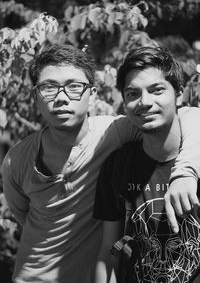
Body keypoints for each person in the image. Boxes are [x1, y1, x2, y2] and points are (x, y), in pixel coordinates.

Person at [2, 44, 200, 283]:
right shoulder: (17, 159)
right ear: (35, 96)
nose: (62, 98)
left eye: (74, 87)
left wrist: (185, 172)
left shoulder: (113, 132)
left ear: (93, 94)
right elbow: (23, 216)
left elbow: (185, 116)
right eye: (48, 87)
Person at [94, 46, 200, 283]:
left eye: (157, 90)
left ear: (179, 95)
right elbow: (110, 251)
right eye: (133, 94)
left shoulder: (195, 157)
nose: (144, 102)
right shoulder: (117, 166)